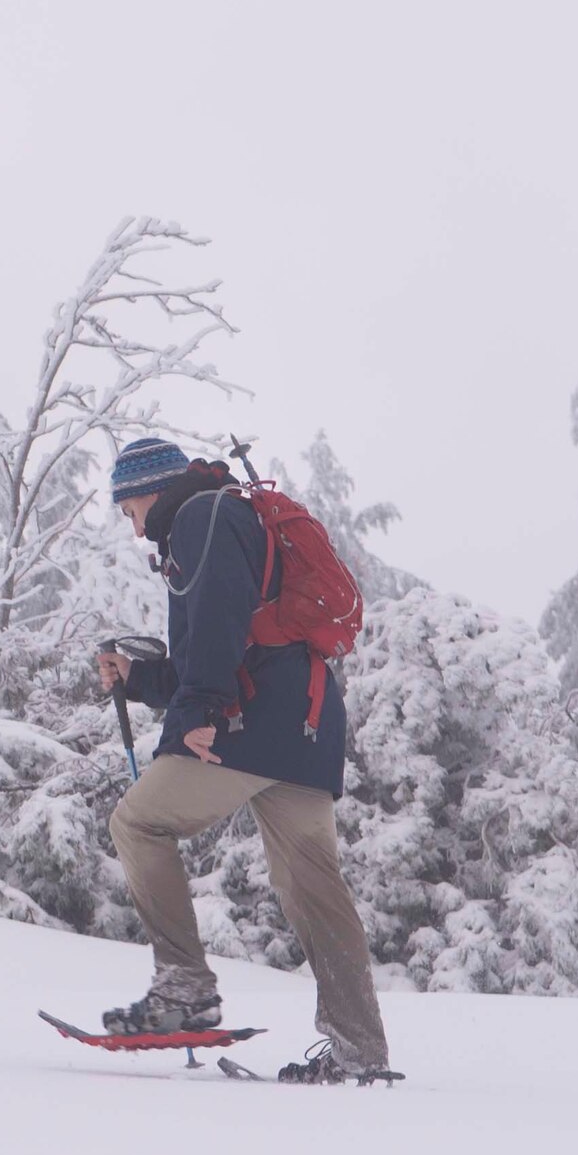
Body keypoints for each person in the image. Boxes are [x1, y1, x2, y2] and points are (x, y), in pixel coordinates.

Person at [95, 436, 394, 1085]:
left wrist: (199, 711)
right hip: (306, 718)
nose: (133, 525)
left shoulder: (198, 518)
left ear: (148, 491)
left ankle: (184, 990)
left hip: (253, 717)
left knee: (137, 823)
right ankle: (359, 1047)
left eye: (129, 510)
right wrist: (143, 680)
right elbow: (236, 636)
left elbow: (220, 629)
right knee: (311, 886)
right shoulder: (230, 515)